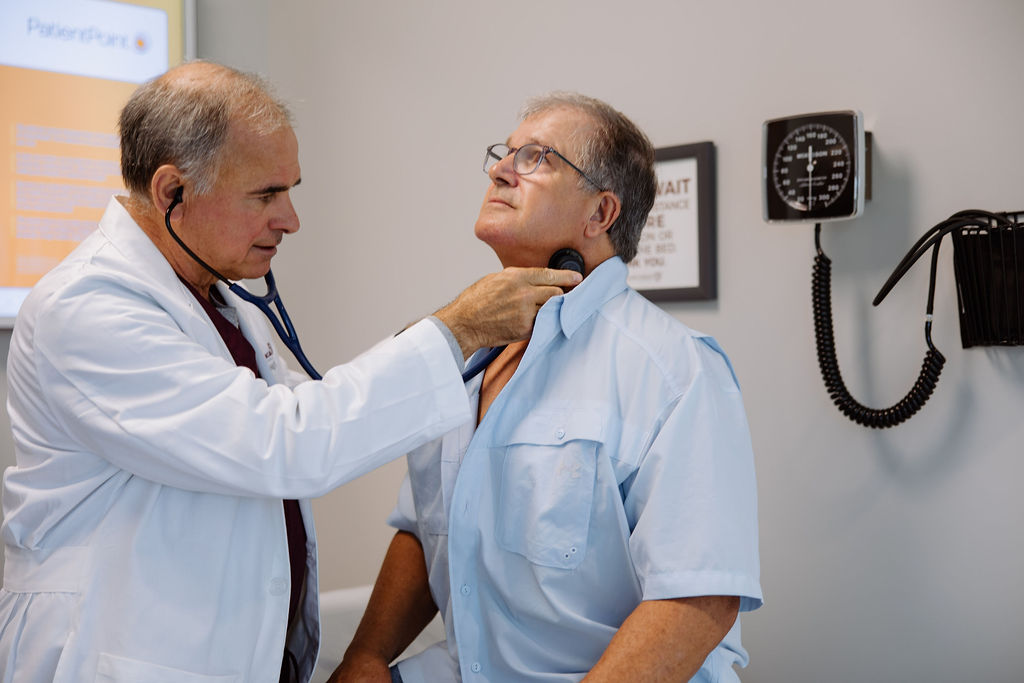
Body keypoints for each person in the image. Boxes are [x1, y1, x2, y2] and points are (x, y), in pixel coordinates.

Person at [0, 62, 581, 683]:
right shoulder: (87, 308)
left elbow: (325, 412)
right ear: (173, 193)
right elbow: (288, 442)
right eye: (266, 194)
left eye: (290, 190)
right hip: (123, 655)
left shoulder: (218, 300)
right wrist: (455, 329)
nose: (290, 219)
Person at [332, 93, 762, 683]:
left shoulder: (672, 370)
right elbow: (424, 525)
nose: (499, 169)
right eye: (504, 153)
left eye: (536, 158)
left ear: (600, 213)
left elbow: (698, 600)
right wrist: (367, 656)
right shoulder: (464, 356)